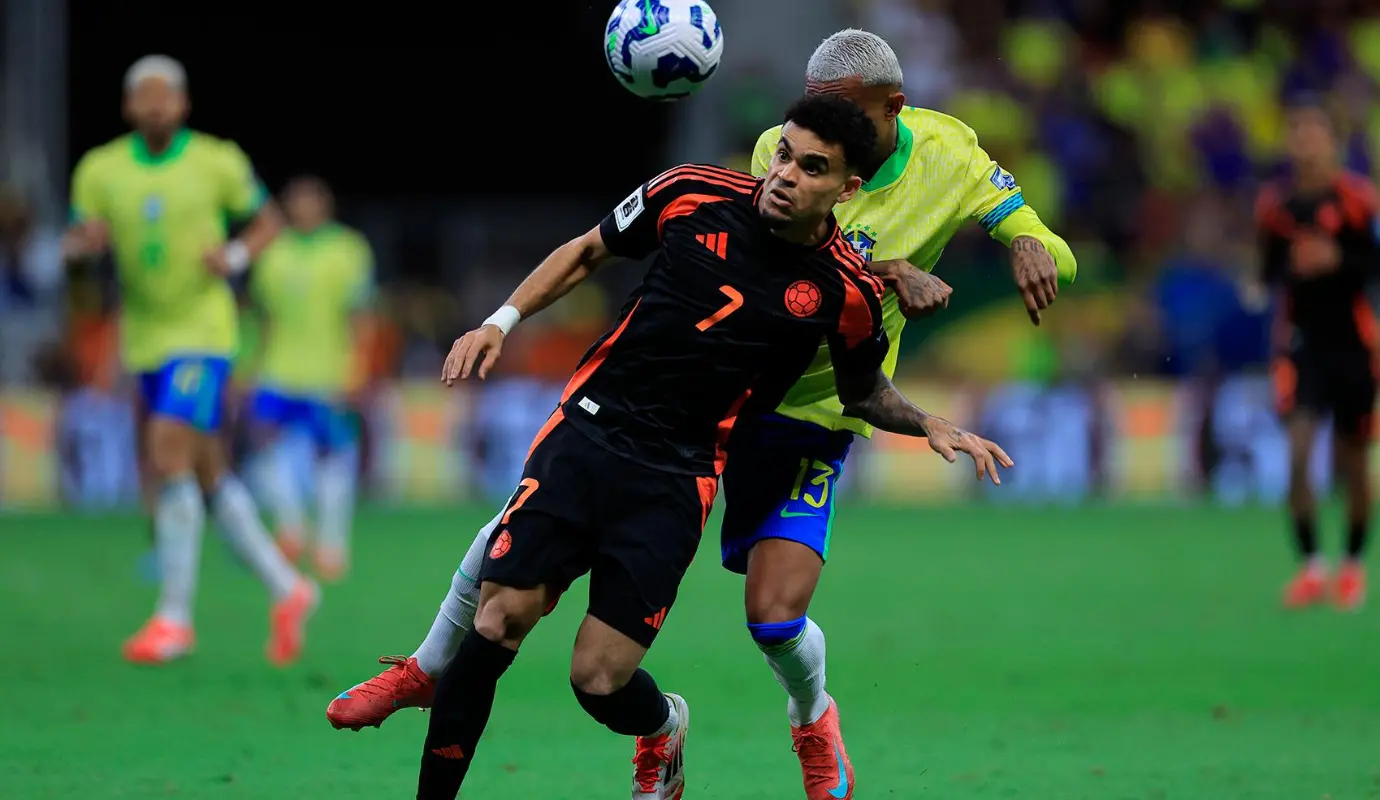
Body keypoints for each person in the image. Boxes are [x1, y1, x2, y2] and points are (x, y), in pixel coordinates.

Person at [328, 28, 1073, 799]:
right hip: (591, 424)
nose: (782, 173)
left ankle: (789, 719)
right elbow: (593, 249)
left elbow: (860, 377)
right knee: (500, 609)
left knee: (684, 650)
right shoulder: (692, 190)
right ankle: (426, 672)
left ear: (855, 169)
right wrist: (500, 320)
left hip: (704, 459)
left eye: (809, 164)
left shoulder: (864, 270)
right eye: (782, 153)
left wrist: (934, 416)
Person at [62, 55, 318, 665]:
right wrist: (80, 246)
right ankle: (291, 589)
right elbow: (81, 236)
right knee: (206, 471)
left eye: (165, 96)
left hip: (203, 334)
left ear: (182, 105)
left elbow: (266, 222)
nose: (155, 106)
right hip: (144, 341)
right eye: (143, 97)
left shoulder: (216, 160)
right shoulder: (100, 170)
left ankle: (173, 620)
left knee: (167, 449)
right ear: (128, 107)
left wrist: (232, 257)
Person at [1258, 99, 1379, 610]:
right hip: (1302, 344)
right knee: (1300, 453)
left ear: (1331, 140)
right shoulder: (1276, 206)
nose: (1306, 141)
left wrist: (1336, 260)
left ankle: (1352, 565)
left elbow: (1373, 265)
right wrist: (1287, 271)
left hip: (1353, 344)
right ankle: (1311, 566)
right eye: (1298, 131)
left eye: (1314, 131)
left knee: (1352, 461)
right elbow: (1267, 273)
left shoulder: (1358, 199)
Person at [247, 176, 373, 581]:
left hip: (328, 372)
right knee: (263, 448)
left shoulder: (348, 250)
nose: (304, 207)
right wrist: (251, 365)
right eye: (296, 200)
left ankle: (331, 546)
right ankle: (291, 526)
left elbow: (361, 316)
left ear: (326, 204)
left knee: (333, 458)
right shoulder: (272, 253)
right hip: (277, 371)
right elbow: (261, 317)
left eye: (311, 200)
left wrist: (358, 368)